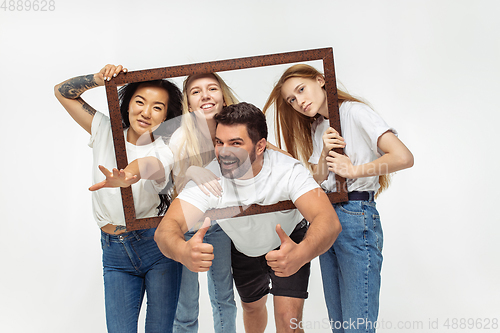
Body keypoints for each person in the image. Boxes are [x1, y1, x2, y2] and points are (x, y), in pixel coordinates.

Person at [155, 102, 342, 333]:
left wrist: (301, 253)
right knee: (252, 309)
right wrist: (181, 251)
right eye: (219, 142)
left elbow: (328, 220)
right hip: (245, 248)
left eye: (236, 143)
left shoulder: (288, 170)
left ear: (260, 146)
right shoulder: (211, 178)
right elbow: (166, 228)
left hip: (289, 242)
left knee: (288, 322)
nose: (224, 152)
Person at [263, 64, 414, 332]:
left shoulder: (354, 112)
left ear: (321, 80)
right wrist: (323, 157)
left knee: (358, 324)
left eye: (301, 90)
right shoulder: (319, 126)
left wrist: (354, 170)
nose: (300, 102)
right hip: (326, 219)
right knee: (340, 325)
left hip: (356, 215)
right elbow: (317, 178)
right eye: (292, 100)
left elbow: (403, 157)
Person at [54, 64, 183, 333]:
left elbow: (150, 164)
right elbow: (62, 92)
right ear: (126, 104)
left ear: (166, 116)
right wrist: (97, 79)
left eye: (157, 107)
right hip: (113, 251)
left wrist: (128, 175)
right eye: (140, 101)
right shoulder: (105, 129)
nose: (146, 112)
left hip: (156, 245)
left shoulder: (166, 148)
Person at [168, 73, 239, 333]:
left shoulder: (234, 131)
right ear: (188, 103)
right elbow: (170, 188)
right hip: (186, 228)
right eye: (196, 92)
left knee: (224, 298)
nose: (205, 95)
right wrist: (190, 171)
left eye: (212, 89)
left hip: (219, 225)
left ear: (222, 96)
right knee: (185, 305)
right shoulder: (180, 139)